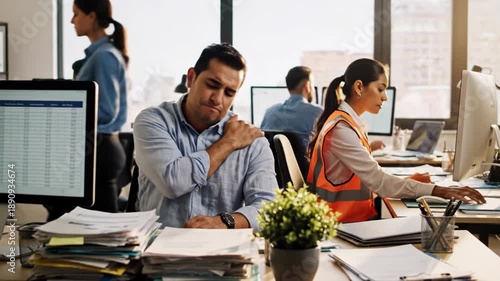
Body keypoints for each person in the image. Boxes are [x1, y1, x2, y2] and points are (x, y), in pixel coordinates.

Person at [307, 58, 485, 223]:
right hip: (341, 225)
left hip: (351, 219)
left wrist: (414, 184)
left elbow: (373, 180)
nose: (385, 97)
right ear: (359, 87)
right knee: (422, 229)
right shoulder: (341, 129)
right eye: (380, 89)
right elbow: (379, 182)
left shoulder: (347, 122)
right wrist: (440, 191)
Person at [133, 43, 276, 230]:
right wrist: (228, 143)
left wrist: (225, 222)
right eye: (212, 85)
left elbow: (269, 209)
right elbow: (173, 183)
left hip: (222, 253)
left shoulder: (253, 142)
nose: (217, 98)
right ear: (191, 78)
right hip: (156, 250)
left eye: (229, 92)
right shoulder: (152, 121)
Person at [45, 0, 129, 220]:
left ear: (91, 16)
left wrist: (65, 114)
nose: (72, 20)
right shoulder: (99, 55)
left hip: (99, 149)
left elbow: (106, 110)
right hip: (97, 147)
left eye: (76, 14)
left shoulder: (104, 56)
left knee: (100, 228)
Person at [260, 66, 323, 148]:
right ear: (307, 86)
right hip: (306, 160)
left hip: (274, 161)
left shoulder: (269, 113)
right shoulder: (318, 113)